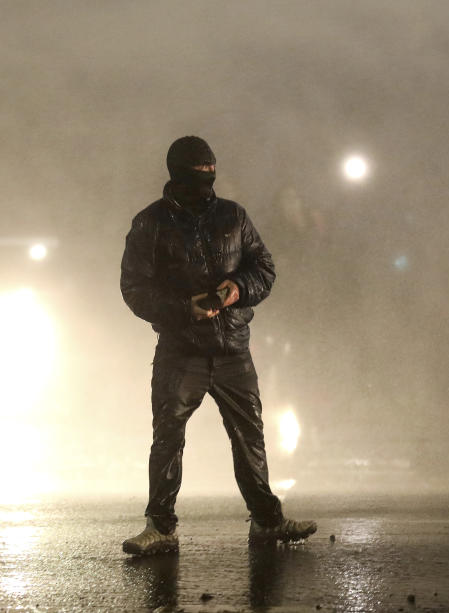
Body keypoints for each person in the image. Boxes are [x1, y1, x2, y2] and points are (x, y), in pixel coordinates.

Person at [119, 135, 317, 556]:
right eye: (197, 175)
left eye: (209, 174)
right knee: (168, 437)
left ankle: (267, 521)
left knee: (250, 436)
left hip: (232, 349)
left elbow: (263, 267)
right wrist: (183, 309)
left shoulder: (234, 216)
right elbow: (134, 289)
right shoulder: (149, 224)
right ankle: (160, 527)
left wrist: (235, 290)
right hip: (180, 350)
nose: (205, 183)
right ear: (177, 175)